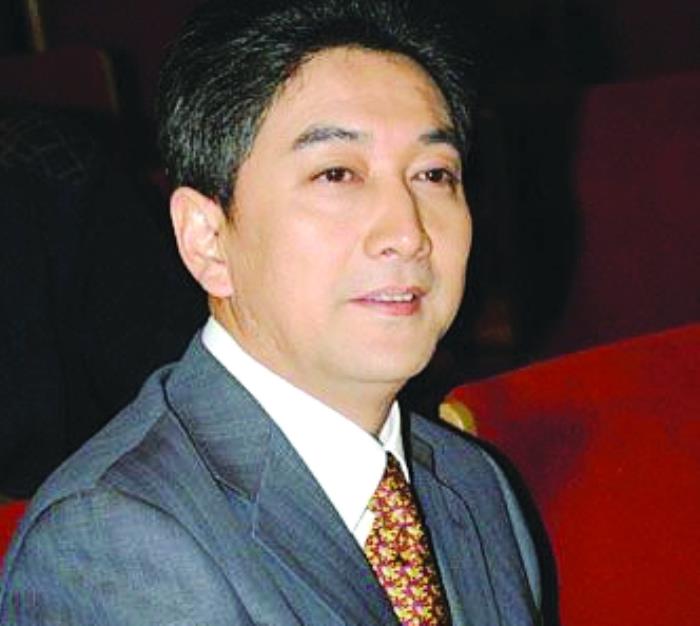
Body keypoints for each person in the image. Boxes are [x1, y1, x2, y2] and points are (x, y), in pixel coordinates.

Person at [0, 1, 543, 623]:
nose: (407, 232)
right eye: (337, 174)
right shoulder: (116, 544)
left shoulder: (474, 484)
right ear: (208, 239)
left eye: (434, 174)